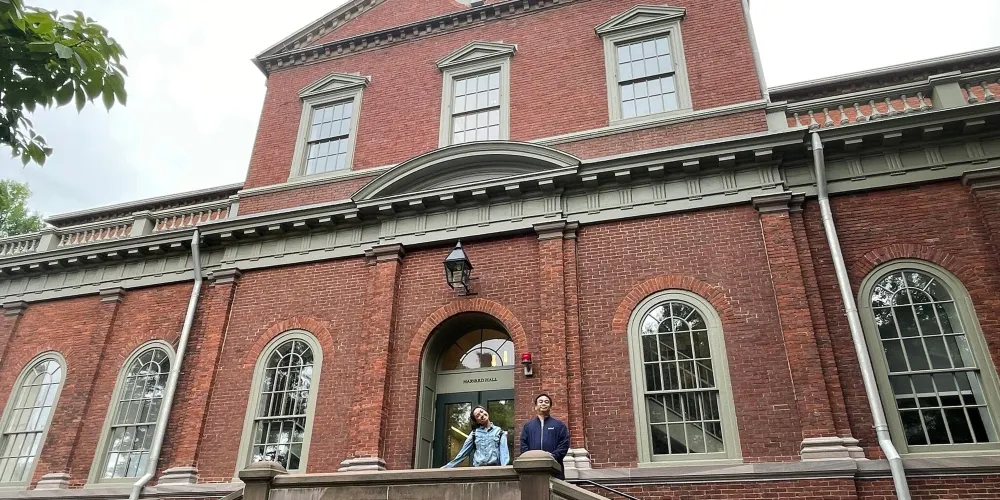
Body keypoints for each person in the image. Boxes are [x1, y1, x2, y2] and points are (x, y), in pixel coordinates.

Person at [442, 404, 510, 468]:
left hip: (494, 469)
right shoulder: (474, 434)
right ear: (477, 421)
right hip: (478, 470)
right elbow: (462, 454)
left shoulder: (499, 432)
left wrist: (504, 470)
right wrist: (446, 468)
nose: (482, 415)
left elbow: (504, 454)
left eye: (482, 411)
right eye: (478, 415)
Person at [519, 393, 569, 479]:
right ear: (535, 406)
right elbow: (523, 445)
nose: (543, 403)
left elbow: (564, 444)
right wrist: (530, 458)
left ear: (550, 407)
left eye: (546, 402)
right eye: (541, 401)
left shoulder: (559, 425)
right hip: (533, 469)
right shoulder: (528, 426)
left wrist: (552, 456)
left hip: (554, 468)